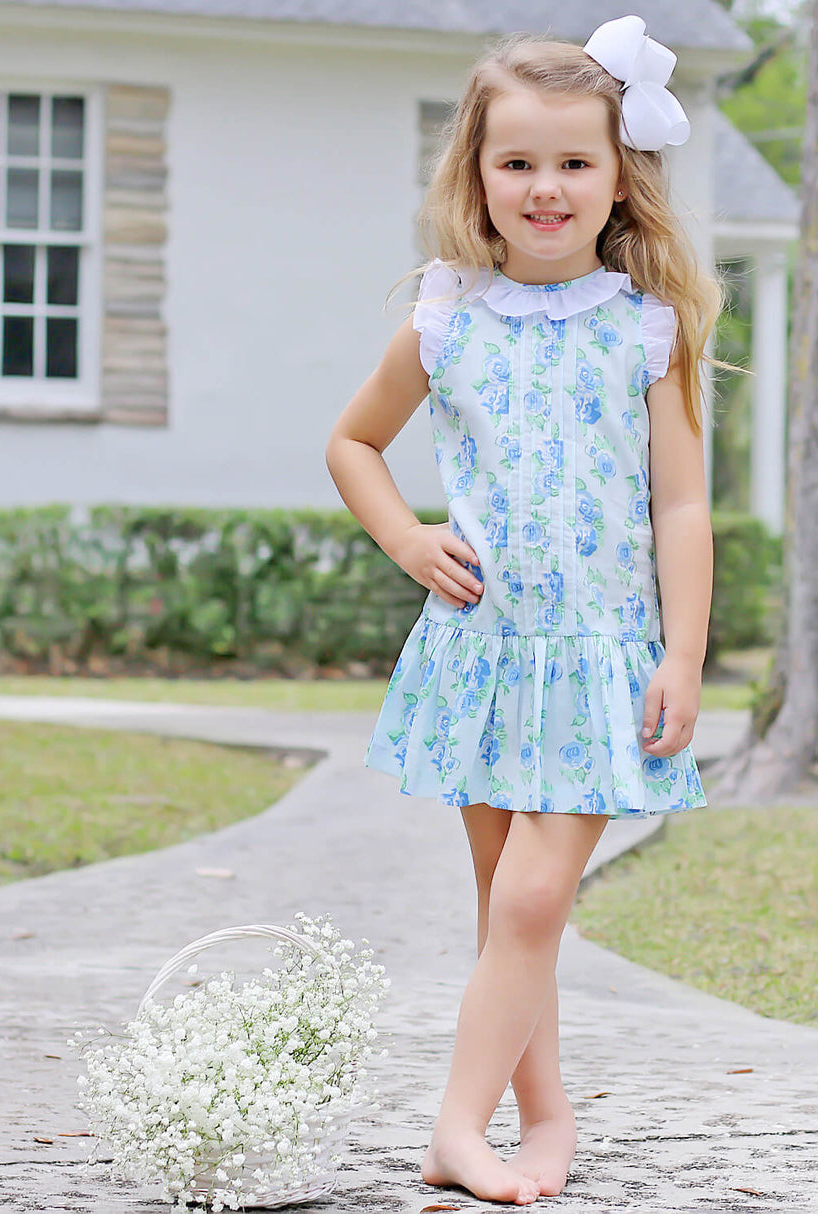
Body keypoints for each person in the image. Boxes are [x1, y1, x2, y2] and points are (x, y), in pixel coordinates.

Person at [326, 15, 719, 1206]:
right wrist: (404, 534)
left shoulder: (646, 327)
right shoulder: (446, 317)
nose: (543, 187)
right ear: (476, 174)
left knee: (535, 897)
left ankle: (455, 1126)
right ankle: (541, 1114)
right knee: (509, 908)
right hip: (483, 652)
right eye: (516, 162)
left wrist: (685, 656)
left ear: (615, 178)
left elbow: (682, 506)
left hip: (601, 656)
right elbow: (351, 442)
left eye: (572, 163)